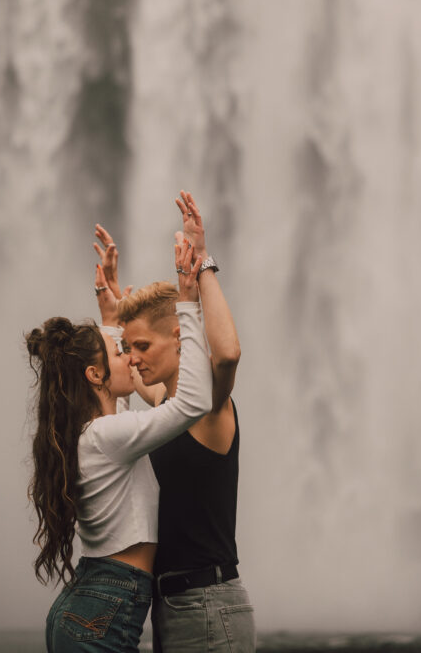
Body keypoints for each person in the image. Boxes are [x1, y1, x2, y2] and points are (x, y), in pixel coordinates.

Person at [26, 234, 212, 653]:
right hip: (106, 602)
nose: (131, 357)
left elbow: (115, 391)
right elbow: (195, 401)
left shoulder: (100, 429)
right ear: (94, 376)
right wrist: (188, 308)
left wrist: (109, 313)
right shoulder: (110, 436)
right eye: (120, 351)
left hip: (92, 600)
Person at [94, 191, 256, 653]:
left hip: (208, 604)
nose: (134, 358)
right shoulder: (170, 404)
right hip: (176, 607)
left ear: (179, 336)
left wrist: (202, 263)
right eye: (131, 348)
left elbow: (227, 353)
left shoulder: (207, 406)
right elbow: (120, 378)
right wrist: (112, 315)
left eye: (143, 346)